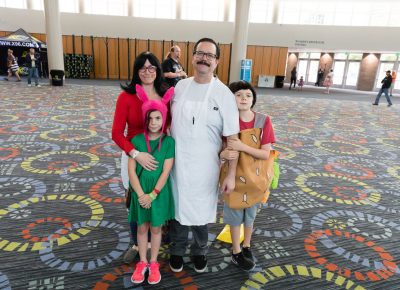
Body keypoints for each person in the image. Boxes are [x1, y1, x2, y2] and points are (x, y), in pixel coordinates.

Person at [169, 37, 240, 273]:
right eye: (200, 53)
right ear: (192, 58)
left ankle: (200, 252)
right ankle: (177, 251)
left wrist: (230, 175)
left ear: (217, 62)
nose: (204, 59)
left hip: (206, 166)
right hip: (178, 163)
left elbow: (233, 139)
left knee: (201, 214)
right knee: (177, 211)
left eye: (210, 55)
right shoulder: (180, 87)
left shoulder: (224, 94)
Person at [111, 51, 170, 264]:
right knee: (136, 200)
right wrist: (136, 154)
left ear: (158, 70)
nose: (147, 71)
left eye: (152, 67)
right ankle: (137, 244)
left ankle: (160, 232)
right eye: (143, 67)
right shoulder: (126, 97)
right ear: (137, 71)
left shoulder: (165, 94)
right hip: (133, 155)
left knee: (157, 195)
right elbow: (116, 133)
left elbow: (169, 125)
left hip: (159, 155)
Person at [220, 80, 275, 271]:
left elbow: (266, 153)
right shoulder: (227, 120)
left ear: (253, 99)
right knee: (235, 214)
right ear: (230, 99)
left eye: (248, 95)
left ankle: (247, 245)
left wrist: (242, 146)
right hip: (232, 177)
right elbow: (221, 150)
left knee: (250, 215)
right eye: (238, 95)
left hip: (255, 177)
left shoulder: (263, 120)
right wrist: (223, 153)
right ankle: (236, 251)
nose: (244, 98)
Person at [128, 84, 175, 285]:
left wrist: (153, 195)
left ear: (164, 119)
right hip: (140, 192)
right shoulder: (137, 140)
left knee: (156, 229)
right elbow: (131, 170)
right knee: (141, 228)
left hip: (158, 193)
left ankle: (154, 262)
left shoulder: (169, 142)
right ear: (145, 119)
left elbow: (166, 171)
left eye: (158, 118)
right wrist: (140, 195)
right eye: (150, 118)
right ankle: (143, 261)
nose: (154, 122)